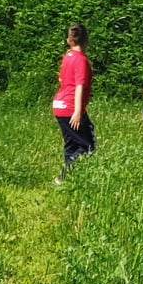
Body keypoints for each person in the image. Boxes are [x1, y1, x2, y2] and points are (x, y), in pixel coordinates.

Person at [52, 23, 94, 180]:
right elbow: (79, 86)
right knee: (87, 146)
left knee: (72, 146)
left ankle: (69, 179)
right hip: (70, 108)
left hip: (59, 105)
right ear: (86, 40)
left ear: (70, 40)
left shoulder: (68, 56)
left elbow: (61, 78)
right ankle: (62, 178)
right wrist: (77, 112)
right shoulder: (81, 60)